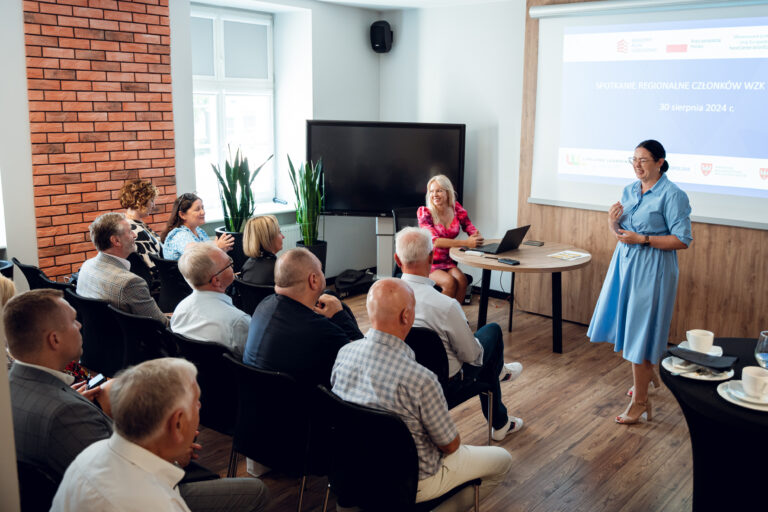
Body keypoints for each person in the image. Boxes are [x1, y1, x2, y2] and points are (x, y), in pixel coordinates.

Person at [331, 279, 513, 511]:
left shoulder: (344, 354)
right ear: (407, 316)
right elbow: (450, 445)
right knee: (502, 461)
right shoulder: (420, 379)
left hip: (357, 470)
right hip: (412, 480)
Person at [50, 357, 270, 512]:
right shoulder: (158, 503)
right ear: (176, 423)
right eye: (196, 402)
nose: (200, 405)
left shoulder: (92, 453)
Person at [588, 140, 692, 424]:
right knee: (630, 326)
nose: (637, 165)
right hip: (625, 263)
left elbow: (682, 240)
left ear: (660, 162)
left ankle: (640, 402)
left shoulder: (673, 195)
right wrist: (613, 225)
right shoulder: (630, 190)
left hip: (654, 267)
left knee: (640, 331)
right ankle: (646, 375)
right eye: (633, 159)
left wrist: (643, 239)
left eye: (643, 160)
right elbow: (624, 232)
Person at [395, 227, 524, 441]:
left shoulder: (381, 298)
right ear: (432, 256)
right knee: (491, 335)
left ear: (397, 260)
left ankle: (501, 406)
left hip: (403, 383)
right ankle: (500, 418)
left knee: (487, 356)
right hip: (446, 384)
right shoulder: (446, 305)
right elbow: (473, 356)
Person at [243, 248, 362, 387]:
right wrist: (340, 315)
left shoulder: (263, 305)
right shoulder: (321, 332)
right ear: (313, 280)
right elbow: (364, 362)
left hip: (256, 401)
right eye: (321, 271)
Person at [77, 212, 168, 326]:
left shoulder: (86, 266)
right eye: (130, 231)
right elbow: (161, 325)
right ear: (116, 241)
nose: (135, 235)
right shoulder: (130, 283)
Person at [172, 242, 250, 358]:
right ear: (216, 281)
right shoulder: (238, 322)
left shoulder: (180, 310)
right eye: (229, 264)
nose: (232, 267)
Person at [417, 174, 483, 303]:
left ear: (448, 192)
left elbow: (468, 225)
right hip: (428, 262)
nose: (434, 194)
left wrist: (476, 235)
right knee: (450, 283)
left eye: (439, 190)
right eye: (431, 191)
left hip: (448, 261)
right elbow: (435, 241)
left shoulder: (456, 208)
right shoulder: (425, 212)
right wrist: (466, 242)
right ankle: (440, 320)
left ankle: (456, 318)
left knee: (462, 281)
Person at [161, 193, 234, 260]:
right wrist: (217, 247)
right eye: (197, 209)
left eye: (202, 208)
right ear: (182, 215)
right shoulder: (180, 235)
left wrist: (220, 248)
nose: (203, 212)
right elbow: (196, 255)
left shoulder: (199, 231)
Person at [119, 179, 162, 287]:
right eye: (151, 200)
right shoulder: (135, 230)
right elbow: (153, 267)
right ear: (141, 200)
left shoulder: (132, 224)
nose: (153, 205)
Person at [240, 215, 284, 285]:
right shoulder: (278, 270)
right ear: (268, 239)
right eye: (279, 232)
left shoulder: (248, 265)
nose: (283, 236)